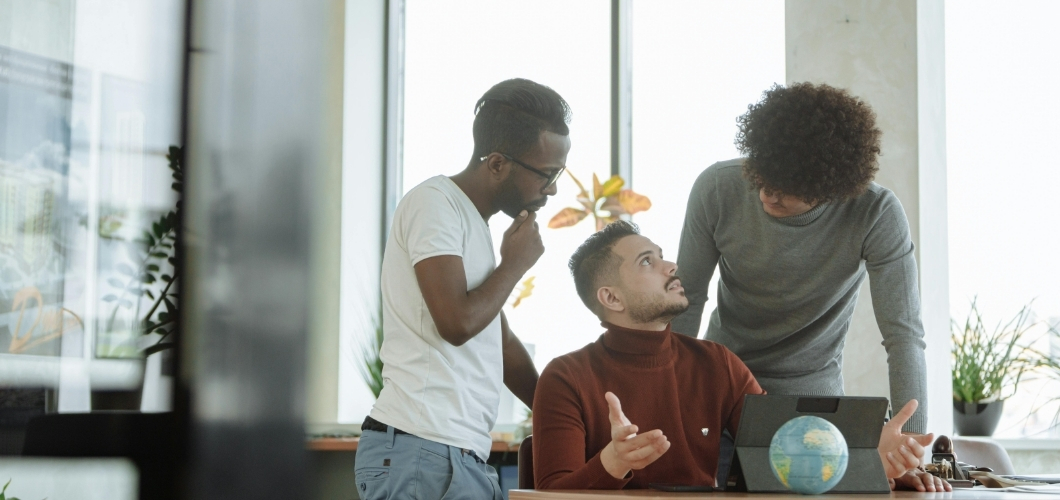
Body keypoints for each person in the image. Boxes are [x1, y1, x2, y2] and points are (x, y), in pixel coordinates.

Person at [533, 221, 950, 492]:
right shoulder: (565, 377)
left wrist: (870, 461)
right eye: (648, 262)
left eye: (662, 255)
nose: (671, 266)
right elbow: (548, 493)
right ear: (611, 297)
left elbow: (784, 457)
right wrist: (611, 462)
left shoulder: (717, 363)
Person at [672, 84, 932, 476]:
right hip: (719, 393)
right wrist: (668, 403)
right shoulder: (718, 188)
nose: (767, 196)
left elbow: (904, 335)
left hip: (815, 410)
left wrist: (908, 446)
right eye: (763, 178)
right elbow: (686, 300)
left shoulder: (876, 213)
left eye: (787, 191)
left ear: (833, 189)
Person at [354, 78, 571, 499]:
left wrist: (566, 414)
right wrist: (515, 265)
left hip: (452, 455)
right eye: (546, 174)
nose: (553, 189)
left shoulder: (474, 225)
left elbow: (501, 342)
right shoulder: (435, 204)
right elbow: (456, 322)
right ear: (496, 164)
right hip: (423, 448)